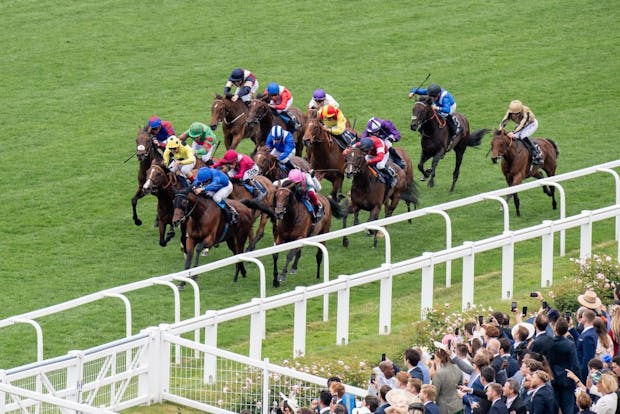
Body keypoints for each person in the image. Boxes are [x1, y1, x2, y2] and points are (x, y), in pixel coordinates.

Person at [409, 84, 462, 149]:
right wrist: (412, 92)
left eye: (434, 97)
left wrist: (437, 108)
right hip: (438, 105)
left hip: (449, 107)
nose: (432, 98)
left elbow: (447, 110)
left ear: (438, 94)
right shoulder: (431, 92)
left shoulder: (445, 98)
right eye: (431, 97)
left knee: (444, 115)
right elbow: (418, 90)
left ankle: (455, 127)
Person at [547, 317, 580, 414]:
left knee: (554, 407)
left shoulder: (550, 342)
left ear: (555, 329)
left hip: (552, 376)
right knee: (567, 407)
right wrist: (578, 380)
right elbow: (575, 364)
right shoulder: (570, 344)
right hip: (567, 378)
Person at [498, 100, 543, 166]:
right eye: (512, 113)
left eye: (516, 114)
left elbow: (522, 125)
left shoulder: (526, 113)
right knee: (514, 137)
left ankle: (536, 153)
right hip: (520, 124)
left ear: (520, 111)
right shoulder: (510, 111)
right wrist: (500, 129)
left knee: (522, 136)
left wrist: (513, 132)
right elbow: (504, 120)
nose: (513, 115)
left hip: (531, 124)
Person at [429, 343, 462, 414]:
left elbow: (435, 393)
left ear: (438, 358)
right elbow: (460, 385)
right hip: (458, 405)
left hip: (445, 409)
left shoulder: (438, 373)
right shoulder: (457, 367)